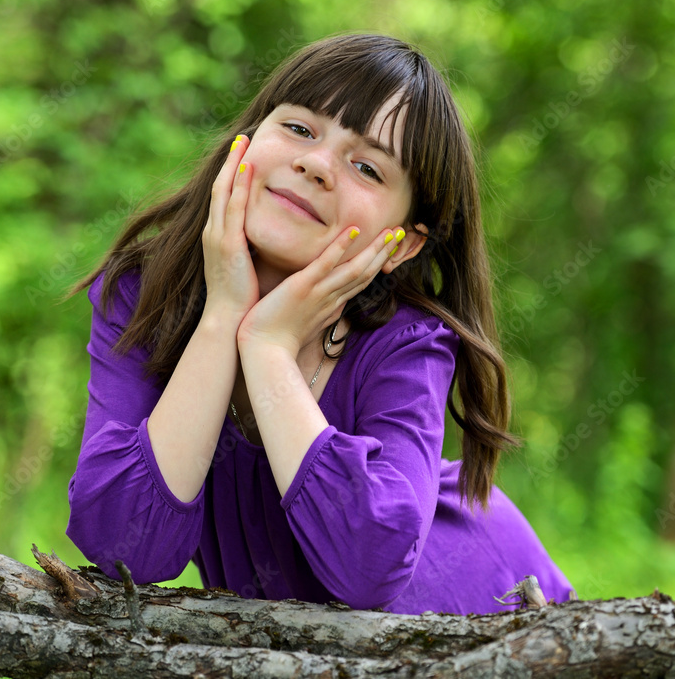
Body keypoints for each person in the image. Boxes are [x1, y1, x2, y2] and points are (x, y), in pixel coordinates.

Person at [65, 33, 573, 614]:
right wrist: (224, 317)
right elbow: (123, 551)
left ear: (403, 244)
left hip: (483, 604)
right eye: (300, 129)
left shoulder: (405, 344)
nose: (316, 165)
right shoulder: (142, 296)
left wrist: (270, 347)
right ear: (247, 140)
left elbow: (370, 569)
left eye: (367, 167)